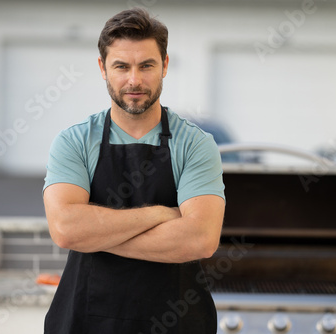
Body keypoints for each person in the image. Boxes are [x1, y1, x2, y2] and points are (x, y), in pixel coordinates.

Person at [43, 7, 225, 334]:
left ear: (165, 65)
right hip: (85, 322)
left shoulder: (196, 145)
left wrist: (95, 235)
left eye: (147, 66)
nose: (134, 80)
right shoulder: (73, 142)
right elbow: (66, 229)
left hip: (177, 323)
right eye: (121, 66)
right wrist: (160, 214)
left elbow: (200, 239)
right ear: (103, 68)